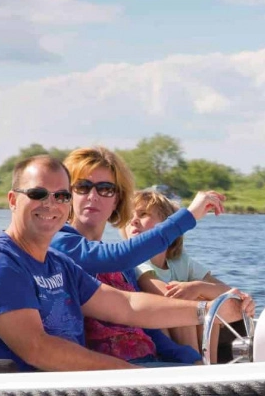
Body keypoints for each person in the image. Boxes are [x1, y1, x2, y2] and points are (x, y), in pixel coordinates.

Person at [0, 155, 251, 371]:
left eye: (60, 195)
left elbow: (128, 306)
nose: (51, 204)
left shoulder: (57, 263)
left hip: (71, 391)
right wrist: (128, 374)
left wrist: (208, 311)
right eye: (37, 194)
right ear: (12, 200)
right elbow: (37, 349)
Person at [52, 147, 251, 364]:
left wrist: (193, 363)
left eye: (105, 189)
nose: (93, 196)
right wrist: (189, 215)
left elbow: (148, 330)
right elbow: (110, 256)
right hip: (107, 375)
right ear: (68, 195)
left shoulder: (124, 268)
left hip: (149, 366)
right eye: (82, 187)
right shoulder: (60, 243)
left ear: (117, 200)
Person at [123, 189, 252, 352]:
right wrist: (201, 293)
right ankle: (195, 365)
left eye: (142, 214)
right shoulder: (136, 260)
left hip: (173, 331)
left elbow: (229, 294)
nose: (133, 221)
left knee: (206, 302)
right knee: (188, 306)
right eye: (128, 217)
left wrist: (199, 287)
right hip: (152, 334)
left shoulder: (180, 261)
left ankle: (209, 366)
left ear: (168, 225)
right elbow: (167, 295)